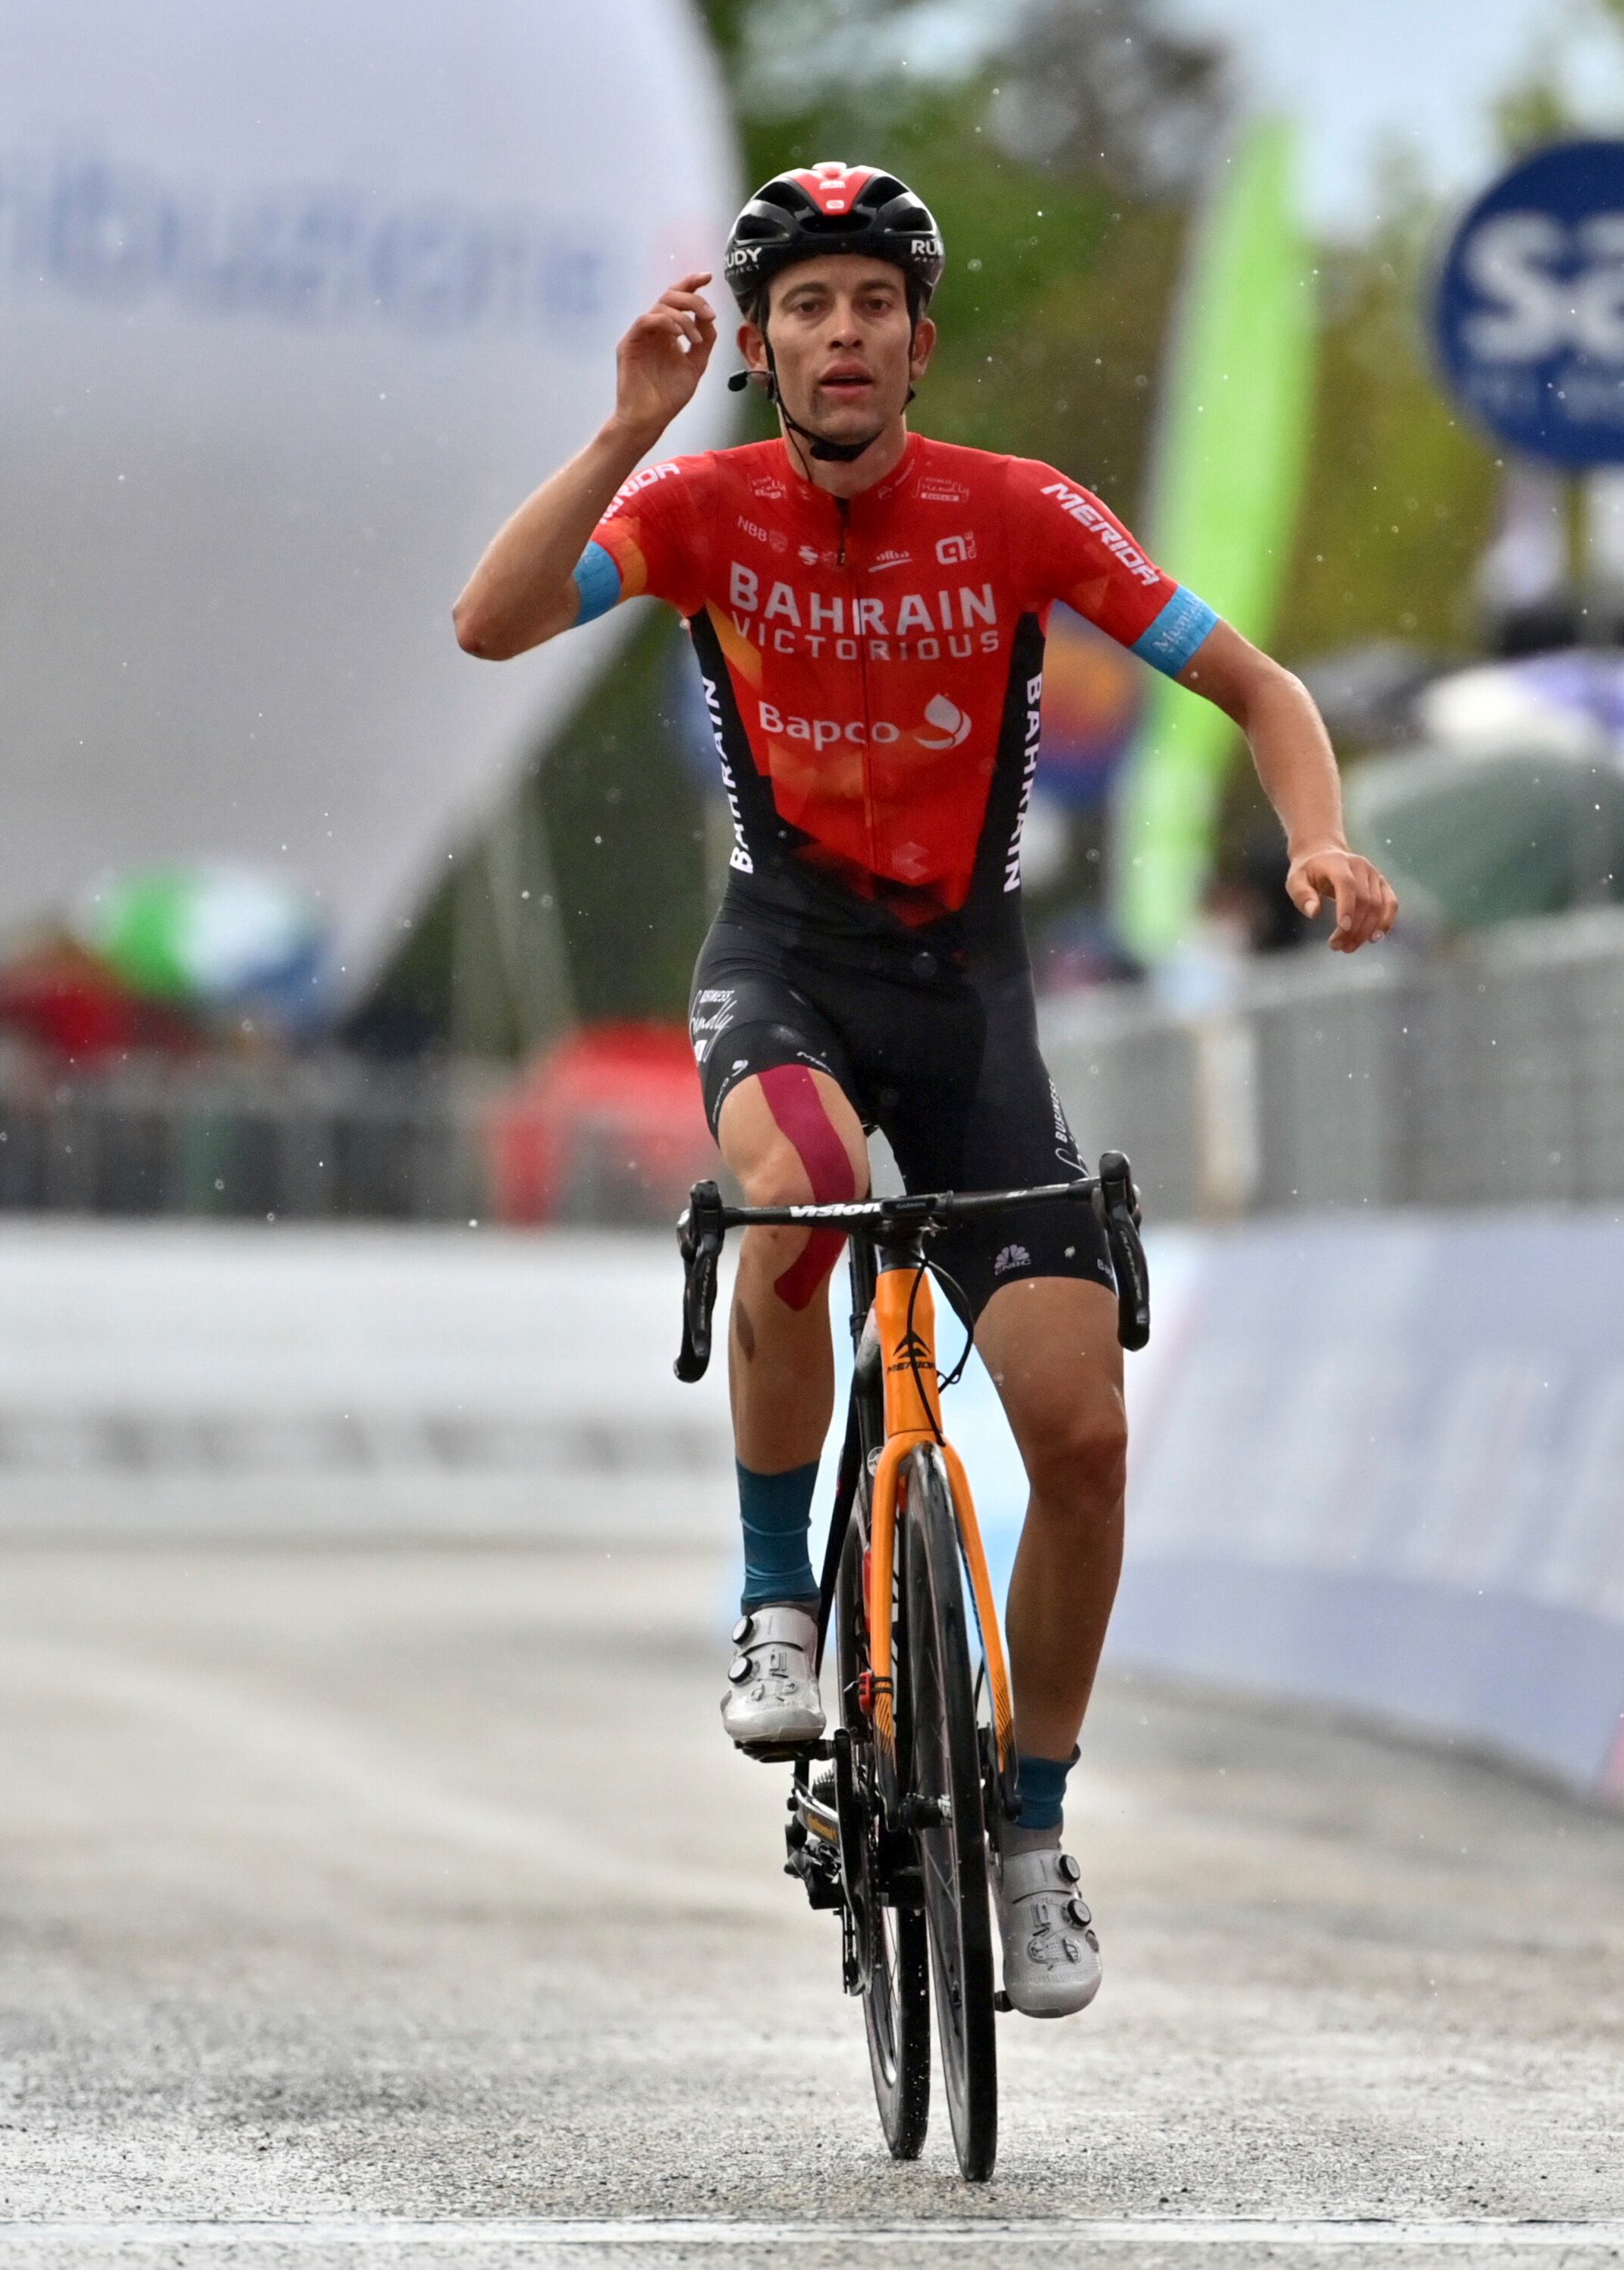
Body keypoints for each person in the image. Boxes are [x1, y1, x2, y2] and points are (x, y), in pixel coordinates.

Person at [449, 163, 1396, 2019]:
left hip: (969, 1001)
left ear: (916, 341)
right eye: (804, 307)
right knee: (789, 1201)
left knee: (1086, 1438)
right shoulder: (702, 508)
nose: (841, 335)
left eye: (871, 304)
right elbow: (487, 626)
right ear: (763, 345)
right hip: (784, 964)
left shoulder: (1018, 515)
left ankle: (1030, 1827)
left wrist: (1320, 844)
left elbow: (1266, 687)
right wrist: (626, 431)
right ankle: (776, 1601)